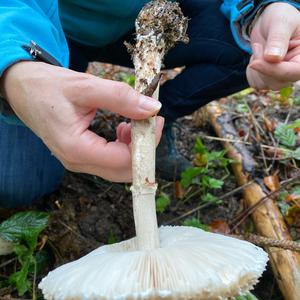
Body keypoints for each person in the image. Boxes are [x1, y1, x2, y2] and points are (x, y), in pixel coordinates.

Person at [0, 0, 300, 207]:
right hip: (45, 26)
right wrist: (17, 67)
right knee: (17, 183)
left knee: (246, 44)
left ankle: (155, 117)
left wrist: (269, 6)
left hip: (157, 16)